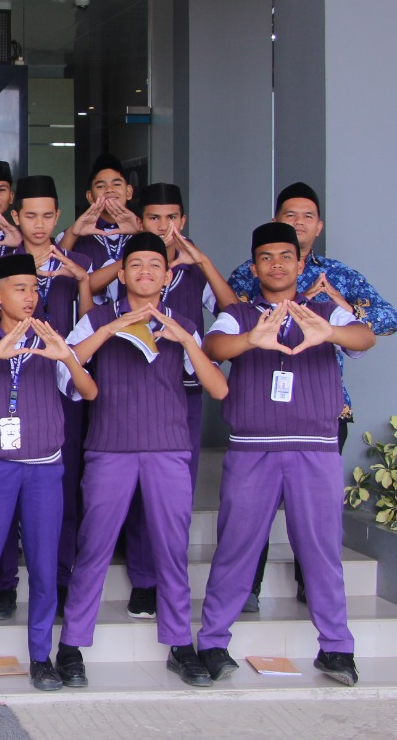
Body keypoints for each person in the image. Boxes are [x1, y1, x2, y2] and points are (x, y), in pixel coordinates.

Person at [196, 222, 376, 687]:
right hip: (252, 449)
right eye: (266, 258)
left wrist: (329, 333)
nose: (276, 265)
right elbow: (213, 346)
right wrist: (250, 340)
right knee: (236, 547)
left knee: (321, 550)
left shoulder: (324, 311)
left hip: (315, 449)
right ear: (254, 266)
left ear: (300, 263)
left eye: (285, 256)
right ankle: (212, 642)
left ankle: (336, 649)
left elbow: (365, 338)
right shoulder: (239, 313)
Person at [53, 232, 229, 689]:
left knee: (171, 549)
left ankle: (180, 645)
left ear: (167, 276)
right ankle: (71, 646)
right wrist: (108, 330)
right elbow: (63, 369)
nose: (146, 272)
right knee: (94, 547)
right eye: (136, 265)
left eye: (155, 265)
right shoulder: (97, 318)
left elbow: (218, 388)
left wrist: (185, 340)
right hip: (109, 449)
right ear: (123, 274)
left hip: (168, 450)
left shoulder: (183, 322)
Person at [226, 182, 397, 610]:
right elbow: (227, 317)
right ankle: (246, 588)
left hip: (321, 409)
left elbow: (387, 319)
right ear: (275, 220)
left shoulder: (337, 274)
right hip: (260, 408)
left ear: (318, 226)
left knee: (316, 517)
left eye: (307, 216)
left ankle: (313, 588)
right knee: (251, 513)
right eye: (290, 215)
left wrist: (343, 311)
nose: (299, 222)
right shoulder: (251, 271)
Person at [0, 253, 96, 694]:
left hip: (44, 468)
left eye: (34, 288)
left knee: (44, 569)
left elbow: (88, 391)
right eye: (20, 288)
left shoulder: (52, 338)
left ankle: (41, 659)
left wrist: (68, 358)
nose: (30, 296)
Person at [116, 182, 236, 619]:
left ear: (183, 221)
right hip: (132, 391)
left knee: (175, 493)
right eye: (154, 218)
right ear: (139, 220)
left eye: (171, 218)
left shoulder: (192, 270)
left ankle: (171, 579)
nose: (164, 226)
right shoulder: (130, 265)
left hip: (183, 392)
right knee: (137, 492)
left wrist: (202, 260)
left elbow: (233, 311)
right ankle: (144, 580)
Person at [0, 175, 94, 617]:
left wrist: (81, 281)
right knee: (5, 487)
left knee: (62, 487)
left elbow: (90, 325)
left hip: (60, 381)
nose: (40, 223)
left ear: (58, 216)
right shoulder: (2, 264)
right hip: (10, 383)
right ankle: (4, 584)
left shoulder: (77, 261)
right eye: (30, 215)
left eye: (48, 215)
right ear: (16, 216)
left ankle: (61, 579)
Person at [59, 152, 142, 304]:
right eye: (101, 186)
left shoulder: (145, 231)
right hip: (89, 318)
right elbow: (54, 275)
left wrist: (142, 231)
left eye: (116, 184)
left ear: (129, 191)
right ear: (90, 197)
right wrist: (73, 233)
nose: (109, 190)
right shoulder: (72, 235)